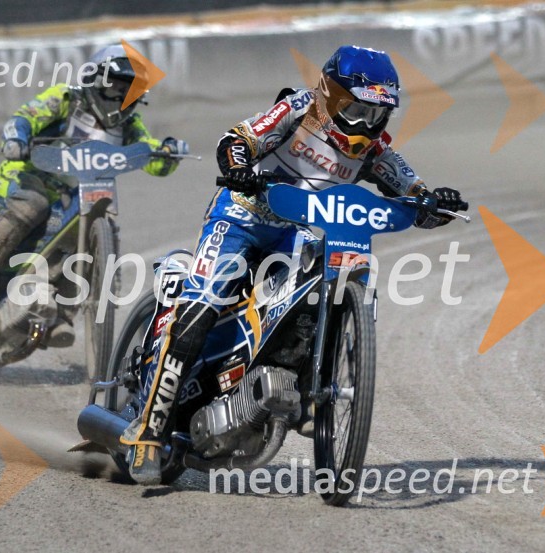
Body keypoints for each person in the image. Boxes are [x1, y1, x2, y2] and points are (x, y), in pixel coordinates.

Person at [120, 45, 467, 484]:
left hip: (292, 232)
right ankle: (148, 430)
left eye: (377, 115)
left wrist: (435, 203)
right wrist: (239, 166)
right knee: (204, 301)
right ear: (331, 97)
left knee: (315, 280)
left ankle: (298, 388)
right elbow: (237, 139)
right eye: (357, 110)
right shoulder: (298, 109)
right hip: (240, 218)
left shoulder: (375, 150)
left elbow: (413, 191)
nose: (365, 125)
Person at [0, 44, 186, 345]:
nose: (122, 97)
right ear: (96, 79)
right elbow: (25, 117)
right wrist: (17, 137)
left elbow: (149, 156)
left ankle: (60, 311)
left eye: (129, 91)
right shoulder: (65, 98)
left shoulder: (128, 124)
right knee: (33, 205)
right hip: (25, 177)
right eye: (116, 87)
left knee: (87, 234)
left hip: (75, 192)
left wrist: (168, 151)